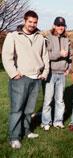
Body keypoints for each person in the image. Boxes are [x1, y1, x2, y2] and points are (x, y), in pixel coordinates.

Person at [2, 10, 49, 149]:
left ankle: (27, 130)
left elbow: (45, 57)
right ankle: (14, 137)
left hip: (36, 78)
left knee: (29, 109)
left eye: (35, 22)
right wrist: (13, 73)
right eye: (30, 22)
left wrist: (44, 73)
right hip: (20, 78)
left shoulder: (40, 37)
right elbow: (6, 56)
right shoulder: (13, 36)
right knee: (17, 109)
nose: (32, 25)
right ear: (24, 20)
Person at [41, 17, 72, 131]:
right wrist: (59, 54)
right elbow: (45, 55)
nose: (60, 27)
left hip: (61, 74)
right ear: (54, 26)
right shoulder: (48, 38)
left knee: (60, 100)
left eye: (62, 25)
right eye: (58, 25)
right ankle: (46, 122)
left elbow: (70, 56)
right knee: (48, 100)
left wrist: (68, 68)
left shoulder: (66, 39)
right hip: (50, 73)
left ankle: (58, 121)